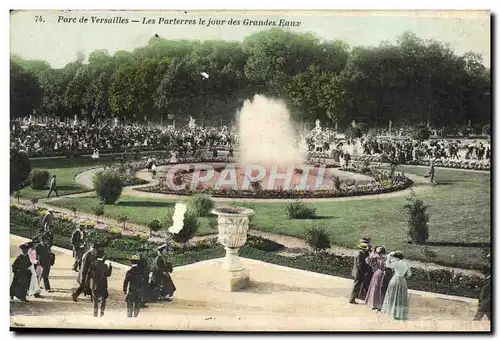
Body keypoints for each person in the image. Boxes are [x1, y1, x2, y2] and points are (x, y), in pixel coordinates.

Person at [380, 251, 411, 320]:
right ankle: (399, 313)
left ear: (397, 258)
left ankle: (393, 312)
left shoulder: (397, 263)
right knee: (400, 295)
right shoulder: (406, 263)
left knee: (393, 294)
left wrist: (388, 257)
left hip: (396, 279)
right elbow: (409, 274)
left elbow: (388, 265)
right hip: (402, 280)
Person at [88, 249, 113, 317]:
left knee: (95, 300)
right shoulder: (104, 265)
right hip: (102, 285)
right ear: (102, 256)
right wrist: (110, 266)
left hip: (94, 285)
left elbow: (89, 274)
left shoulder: (92, 264)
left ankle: (95, 314)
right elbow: (108, 274)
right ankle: (102, 314)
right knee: (103, 299)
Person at [365, 246, 386, 311]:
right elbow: (367, 261)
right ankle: (374, 304)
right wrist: (372, 254)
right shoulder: (376, 258)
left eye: (380, 252)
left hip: (382, 275)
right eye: (378, 252)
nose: (379, 254)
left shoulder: (385, 258)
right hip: (377, 274)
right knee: (375, 289)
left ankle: (379, 304)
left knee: (380, 289)